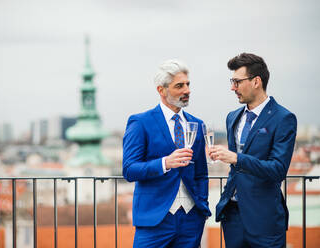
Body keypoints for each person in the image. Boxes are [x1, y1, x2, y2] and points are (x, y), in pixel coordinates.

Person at [210, 53, 297, 248]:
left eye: (237, 82)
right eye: (232, 82)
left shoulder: (283, 118)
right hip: (232, 218)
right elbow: (236, 169)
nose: (233, 88)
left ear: (256, 81)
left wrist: (236, 158)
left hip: (264, 219)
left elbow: (278, 170)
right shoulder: (232, 117)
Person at [122, 59, 211, 248]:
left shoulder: (197, 124)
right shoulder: (141, 122)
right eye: (179, 85)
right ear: (161, 90)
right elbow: (129, 169)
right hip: (154, 219)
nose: (186, 90)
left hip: (191, 219)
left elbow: (201, 172)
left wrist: (201, 206)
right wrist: (165, 163)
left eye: (188, 84)